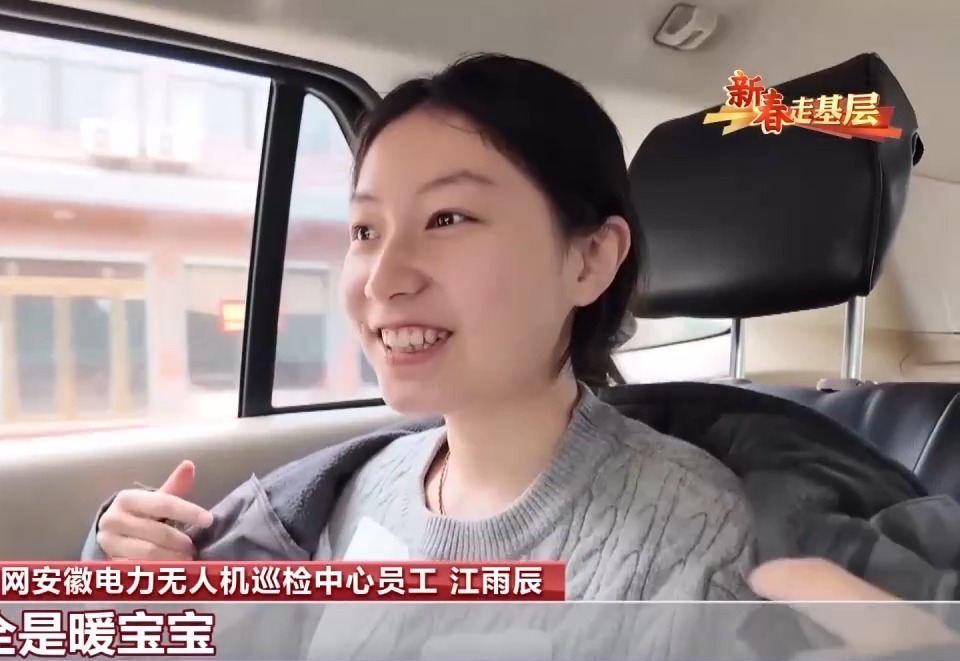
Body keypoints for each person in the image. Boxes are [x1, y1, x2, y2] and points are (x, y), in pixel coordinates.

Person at [88, 53, 757, 601]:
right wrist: (130, 569)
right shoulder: (360, 487)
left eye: (447, 218)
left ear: (589, 260)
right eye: (365, 230)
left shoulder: (685, 533)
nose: (382, 279)